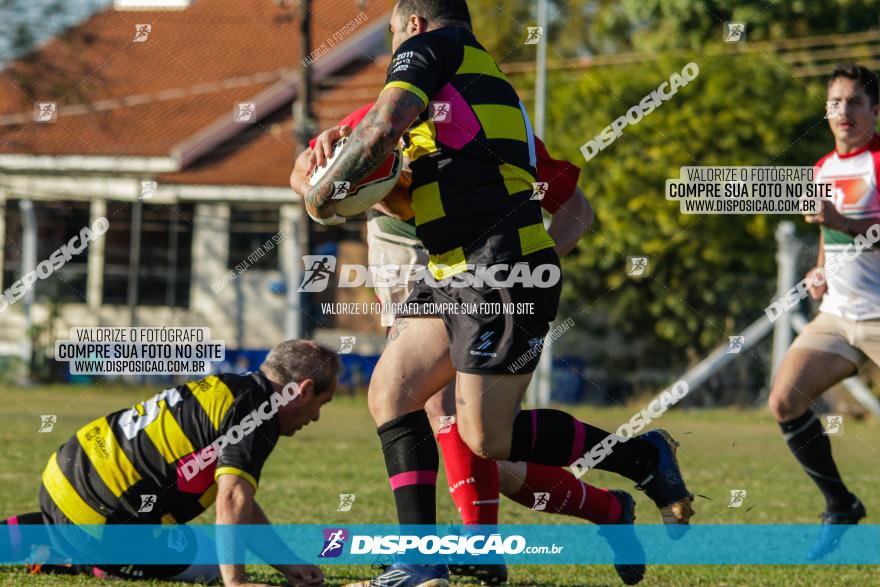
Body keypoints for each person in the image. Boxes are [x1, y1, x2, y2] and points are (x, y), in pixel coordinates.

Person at [303, 2, 693, 585]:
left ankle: (642, 456)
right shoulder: (476, 75)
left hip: (498, 268)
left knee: (488, 438)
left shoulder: (430, 50)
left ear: (412, 24)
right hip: (452, 270)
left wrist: (323, 197)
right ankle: (418, 562)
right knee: (393, 391)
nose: (392, 53)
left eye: (390, 37)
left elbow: (384, 125)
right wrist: (348, 158)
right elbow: (388, 141)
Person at [1, 340, 340, 587]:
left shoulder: (227, 386)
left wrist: (288, 563)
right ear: (303, 390)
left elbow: (241, 503)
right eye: (322, 404)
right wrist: (236, 583)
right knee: (210, 561)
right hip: (103, 516)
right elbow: (233, 499)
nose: (316, 417)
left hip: (61, 475)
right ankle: (92, 561)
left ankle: (24, 536)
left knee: (84, 522)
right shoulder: (259, 413)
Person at [768, 63, 880, 559]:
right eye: (835, 102)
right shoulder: (821, 168)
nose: (844, 111)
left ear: (874, 112)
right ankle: (840, 506)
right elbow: (825, 238)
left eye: (855, 101)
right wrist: (818, 273)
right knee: (784, 401)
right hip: (836, 318)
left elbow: (846, 224)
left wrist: (845, 220)